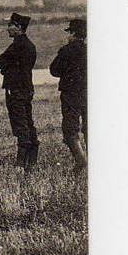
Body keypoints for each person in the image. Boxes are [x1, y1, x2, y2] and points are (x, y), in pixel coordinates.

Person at [0, 12, 39, 172]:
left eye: (10, 25)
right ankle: (32, 160)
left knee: (20, 125)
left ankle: (21, 163)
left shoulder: (16, 46)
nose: (7, 29)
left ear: (18, 27)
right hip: (26, 88)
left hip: (15, 90)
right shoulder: (29, 45)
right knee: (28, 123)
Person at [49, 17, 87, 171]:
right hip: (89, 92)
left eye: (69, 32)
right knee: (90, 126)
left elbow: (54, 70)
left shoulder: (67, 50)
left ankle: (81, 161)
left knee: (70, 129)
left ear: (73, 33)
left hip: (71, 93)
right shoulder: (92, 49)